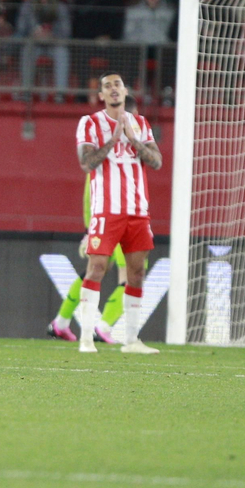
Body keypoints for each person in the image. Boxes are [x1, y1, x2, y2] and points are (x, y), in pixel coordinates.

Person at [74, 73, 162, 354]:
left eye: (117, 85)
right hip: (106, 210)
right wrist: (113, 139)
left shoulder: (141, 124)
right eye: (107, 86)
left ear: (125, 91)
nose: (113, 89)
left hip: (137, 211)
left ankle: (132, 340)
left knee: (136, 273)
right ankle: (86, 338)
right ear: (101, 95)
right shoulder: (90, 123)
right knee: (97, 268)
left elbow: (156, 161)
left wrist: (133, 140)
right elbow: (87, 163)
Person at [49, 175, 128, 345]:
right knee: (131, 275)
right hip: (121, 221)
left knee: (96, 270)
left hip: (104, 222)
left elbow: (88, 194)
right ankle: (103, 327)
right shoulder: (119, 162)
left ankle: (61, 322)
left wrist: (89, 227)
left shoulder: (100, 162)